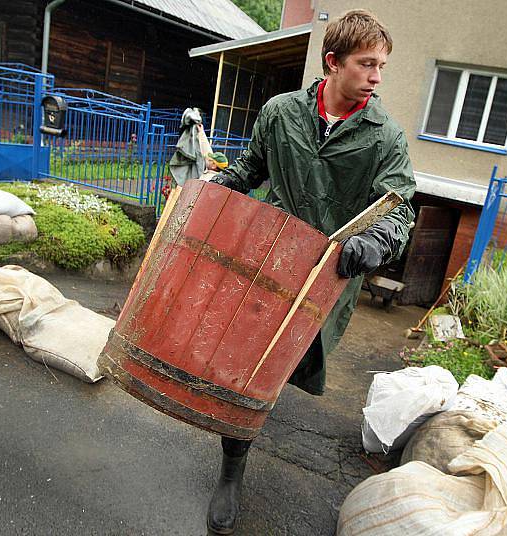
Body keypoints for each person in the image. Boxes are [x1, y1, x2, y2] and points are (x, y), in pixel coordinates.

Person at [206, 9, 416, 534]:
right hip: (266, 260)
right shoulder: (280, 113)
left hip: (328, 276)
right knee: (244, 363)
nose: (376, 77)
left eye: (381, 66)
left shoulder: (384, 136)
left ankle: (245, 426)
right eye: (366, 64)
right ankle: (232, 468)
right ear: (332, 63)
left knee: (274, 371)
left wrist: (375, 241)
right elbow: (249, 170)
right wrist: (214, 191)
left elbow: (401, 207)